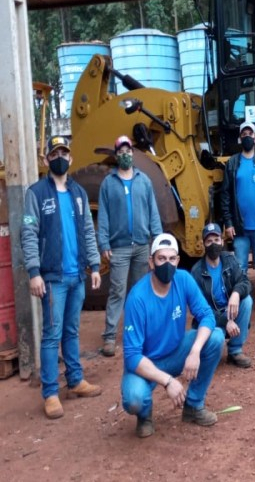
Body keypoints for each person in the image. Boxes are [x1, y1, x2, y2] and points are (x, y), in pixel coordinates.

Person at [21, 135, 103, 419]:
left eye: (64, 153)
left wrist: (93, 266)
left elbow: (88, 233)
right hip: (53, 277)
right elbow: (29, 234)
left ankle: (76, 380)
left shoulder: (79, 194)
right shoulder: (36, 193)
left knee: (71, 331)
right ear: (46, 160)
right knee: (50, 336)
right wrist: (34, 272)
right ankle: (51, 393)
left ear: (71, 159)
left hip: (77, 275)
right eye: (54, 153)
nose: (60, 158)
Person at [121, 234, 224, 438]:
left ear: (177, 260)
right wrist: (168, 381)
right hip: (146, 363)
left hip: (177, 351)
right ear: (151, 262)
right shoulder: (137, 298)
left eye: (171, 259)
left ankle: (193, 406)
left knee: (215, 337)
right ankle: (144, 415)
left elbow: (207, 316)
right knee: (134, 399)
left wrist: (194, 352)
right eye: (161, 259)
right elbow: (132, 356)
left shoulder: (183, 279)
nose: (166, 264)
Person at [97, 135, 162, 357]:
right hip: (120, 248)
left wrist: (158, 241)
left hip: (142, 246)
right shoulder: (108, 183)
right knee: (117, 290)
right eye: (121, 152)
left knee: (139, 292)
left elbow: (153, 211)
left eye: (128, 151)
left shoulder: (143, 180)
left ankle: (139, 334)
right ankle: (109, 337)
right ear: (116, 156)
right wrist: (103, 242)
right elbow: (103, 215)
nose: (125, 155)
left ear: (133, 154)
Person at [220, 121, 255, 324]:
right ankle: (244, 310)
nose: (247, 136)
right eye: (243, 133)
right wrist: (228, 223)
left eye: (249, 133)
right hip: (240, 229)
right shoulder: (232, 164)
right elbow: (225, 195)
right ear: (240, 137)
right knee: (241, 270)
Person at [190, 223, 254, 368]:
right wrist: (226, 320)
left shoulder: (229, 260)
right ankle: (206, 353)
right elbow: (200, 309)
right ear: (204, 244)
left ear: (222, 241)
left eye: (216, 240)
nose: (213, 244)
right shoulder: (196, 272)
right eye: (209, 241)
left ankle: (235, 351)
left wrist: (236, 294)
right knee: (216, 338)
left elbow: (244, 281)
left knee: (247, 301)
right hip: (211, 318)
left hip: (230, 311)